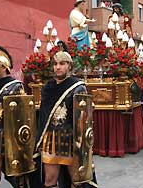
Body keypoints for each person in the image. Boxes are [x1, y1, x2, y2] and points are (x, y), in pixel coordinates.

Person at [36, 51, 98, 188]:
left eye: (62, 64)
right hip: (51, 140)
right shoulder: (48, 87)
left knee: (77, 180)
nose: (58, 67)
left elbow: (83, 118)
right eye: (55, 64)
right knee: (49, 181)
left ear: (69, 66)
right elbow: (43, 116)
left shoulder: (78, 87)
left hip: (71, 140)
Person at [0, 46, 37, 188]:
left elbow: (23, 115)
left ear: (4, 67)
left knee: (17, 172)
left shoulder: (15, 86)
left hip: (10, 137)